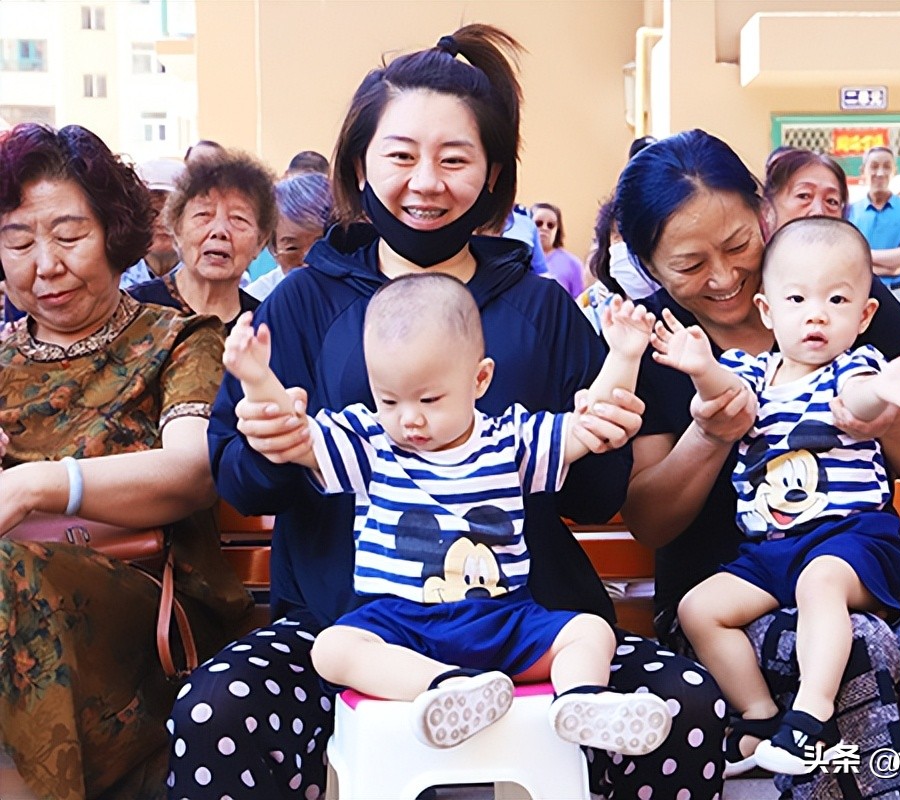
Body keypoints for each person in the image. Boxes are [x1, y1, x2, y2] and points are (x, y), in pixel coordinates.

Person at [170, 26, 726, 800]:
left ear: (492, 173)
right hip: (349, 628)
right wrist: (266, 445)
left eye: (454, 158)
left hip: (527, 623)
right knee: (218, 710)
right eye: (400, 155)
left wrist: (604, 436)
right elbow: (242, 478)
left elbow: (596, 497)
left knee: (688, 706)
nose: (425, 182)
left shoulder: (541, 306)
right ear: (360, 164)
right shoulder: (303, 302)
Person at [618, 129, 900, 800]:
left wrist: (889, 420)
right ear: (647, 264)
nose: (726, 277)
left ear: (763, 214)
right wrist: (708, 438)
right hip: (732, 594)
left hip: (872, 579)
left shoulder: (835, 291)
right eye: (689, 263)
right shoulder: (657, 345)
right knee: (859, 655)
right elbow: (648, 520)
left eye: (737, 244)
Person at [225, 276, 673, 753]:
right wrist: (257, 380)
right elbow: (293, 432)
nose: (409, 419)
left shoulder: (510, 440)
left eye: (429, 399)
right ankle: (447, 688)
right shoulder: (371, 443)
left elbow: (590, 426)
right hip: (397, 623)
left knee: (589, 631)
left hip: (504, 617)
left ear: (479, 379)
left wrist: (624, 356)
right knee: (332, 649)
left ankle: (582, 703)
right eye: (389, 400)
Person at [0, 122, 251, 799]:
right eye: (19, 241)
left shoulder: (177, 341)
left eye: (68, 236)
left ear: (114, 234)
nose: (44, 264)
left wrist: (36, 485)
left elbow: (192, 470)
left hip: (143, 614)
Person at [651, 217, 900, 775]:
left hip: (851, 537)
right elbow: (725, 395)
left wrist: (881, 393)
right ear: (767, 311)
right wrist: (700, 367)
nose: (815, 314)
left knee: (819, 584)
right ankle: (759, 717)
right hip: (772, 546)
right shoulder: (754, 373)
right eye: (797, 299)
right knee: (699, 608)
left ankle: (811, 713)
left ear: (865, 316)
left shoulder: (855, 367)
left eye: (836, 300)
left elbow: (857, 403)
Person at [128, 150, 273, 332]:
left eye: (238, 219)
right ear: (177, 230)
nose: (220, 231)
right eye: (204, 215)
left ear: (261, 242)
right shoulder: (132, 310)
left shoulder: (266, 327)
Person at [847, 146, 900, 303]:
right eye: (874, 166)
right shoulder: (849, 212)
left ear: (894, 171)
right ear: (863, 171)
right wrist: (893, 266)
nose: (880, 173)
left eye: (887, 167)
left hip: (897, 294)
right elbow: (844, 260)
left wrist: (862, 257)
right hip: (857, 294)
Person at [245, 172, 332, 300]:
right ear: (273, 250)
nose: (308, 261)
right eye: (292, 248)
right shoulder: (258, 303)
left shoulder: (365, 294)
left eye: (321, 246)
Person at [120, 157, 185, 288]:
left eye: (172, 212)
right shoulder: (113, 276)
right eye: (152, 212)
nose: (162, 222)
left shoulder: (211, 278)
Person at [532, 201, 585, 296]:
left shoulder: (573, 263)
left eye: (550, 225)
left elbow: (579, 302)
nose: (544, 228)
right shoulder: (517, 259)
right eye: (538, 223)